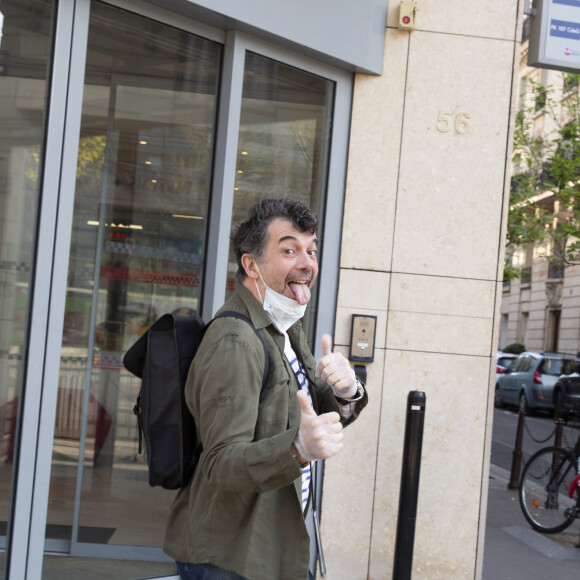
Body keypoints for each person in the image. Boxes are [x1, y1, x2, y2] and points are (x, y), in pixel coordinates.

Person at [163, 198, 368, 580]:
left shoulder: (285, 327)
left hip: (272, 547)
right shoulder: (235, 341)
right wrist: (296, 450)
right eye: (289, 250)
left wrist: (345, 390)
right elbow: (219, 463)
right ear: (251, 265)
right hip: (230, 558)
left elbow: (311, 412)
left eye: (311, 250)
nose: (307, 263)